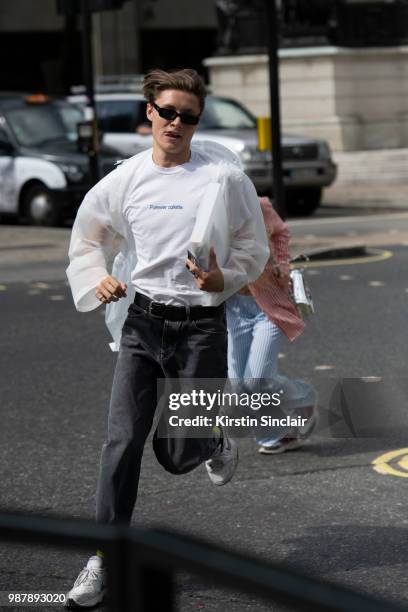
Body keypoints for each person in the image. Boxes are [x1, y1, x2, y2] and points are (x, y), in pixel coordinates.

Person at [64, 68, 269, 608]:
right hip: (143, 323)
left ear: (197, 122)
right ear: (150, 113)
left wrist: (224, 278)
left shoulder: (223, 178)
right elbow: (88, 239)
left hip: (202, 324)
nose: (177, 123)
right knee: (122, 439)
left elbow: (255, 244)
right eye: (169, 112)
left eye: (189, 116)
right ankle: (103, 555)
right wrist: (100, 277)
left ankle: (211, 439)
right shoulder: (125, 179)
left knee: (177, 455)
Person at [227, 197, 317, 454]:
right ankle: (275, 434)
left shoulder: (257, 204)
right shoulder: (201, 215)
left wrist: (283, 265)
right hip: (233, 309)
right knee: (239, 385)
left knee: (256, 379)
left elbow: (280, 232)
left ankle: (302, 398)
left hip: (268, 304)